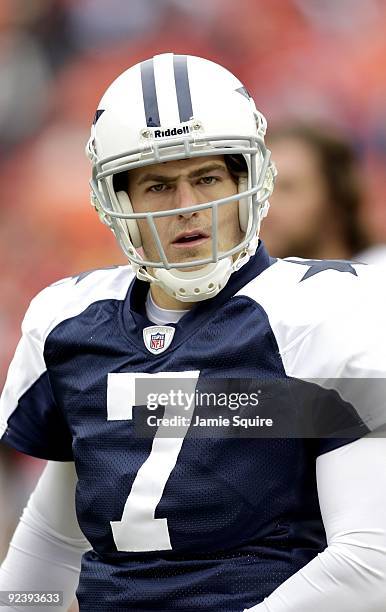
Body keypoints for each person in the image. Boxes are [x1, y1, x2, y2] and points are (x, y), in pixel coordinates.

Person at [1, 53, 386, 612]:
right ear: (118, 201)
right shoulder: (69, 323)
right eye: (157, 186)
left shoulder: (322, 310)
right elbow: (53, 546)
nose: (188, 207)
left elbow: (371, 562)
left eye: (206, 178)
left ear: (249, 180)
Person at [260, 123, 371, 261]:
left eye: (287, 188)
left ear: (337, 200)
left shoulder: (377, 274)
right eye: (261, 188)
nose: (265, 204)